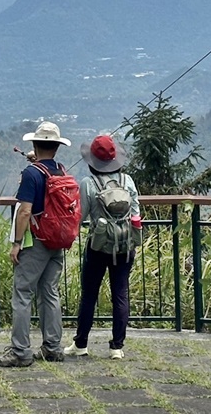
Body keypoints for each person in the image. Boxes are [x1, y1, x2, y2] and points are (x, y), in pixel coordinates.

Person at [0, 121, 72, 367]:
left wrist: (17, 243)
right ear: (57, 148)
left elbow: (25, 211)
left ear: (35, 145)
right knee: (50, 292)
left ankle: (20, 351)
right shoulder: (60, 170)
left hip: (35, 242)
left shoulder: (31, 174)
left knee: (22, 293)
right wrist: (38, 160)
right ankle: (52, 347)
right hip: (57, 241)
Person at [65, 134, 140, 360]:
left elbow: (80, 216)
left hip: (97, 246)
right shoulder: (128, 181)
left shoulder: (88, 184)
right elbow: (136, 213)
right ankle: (116, 347)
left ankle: (81, 344)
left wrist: (68, 237)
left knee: (89, 294)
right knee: (121, 293)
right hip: (125, 245)